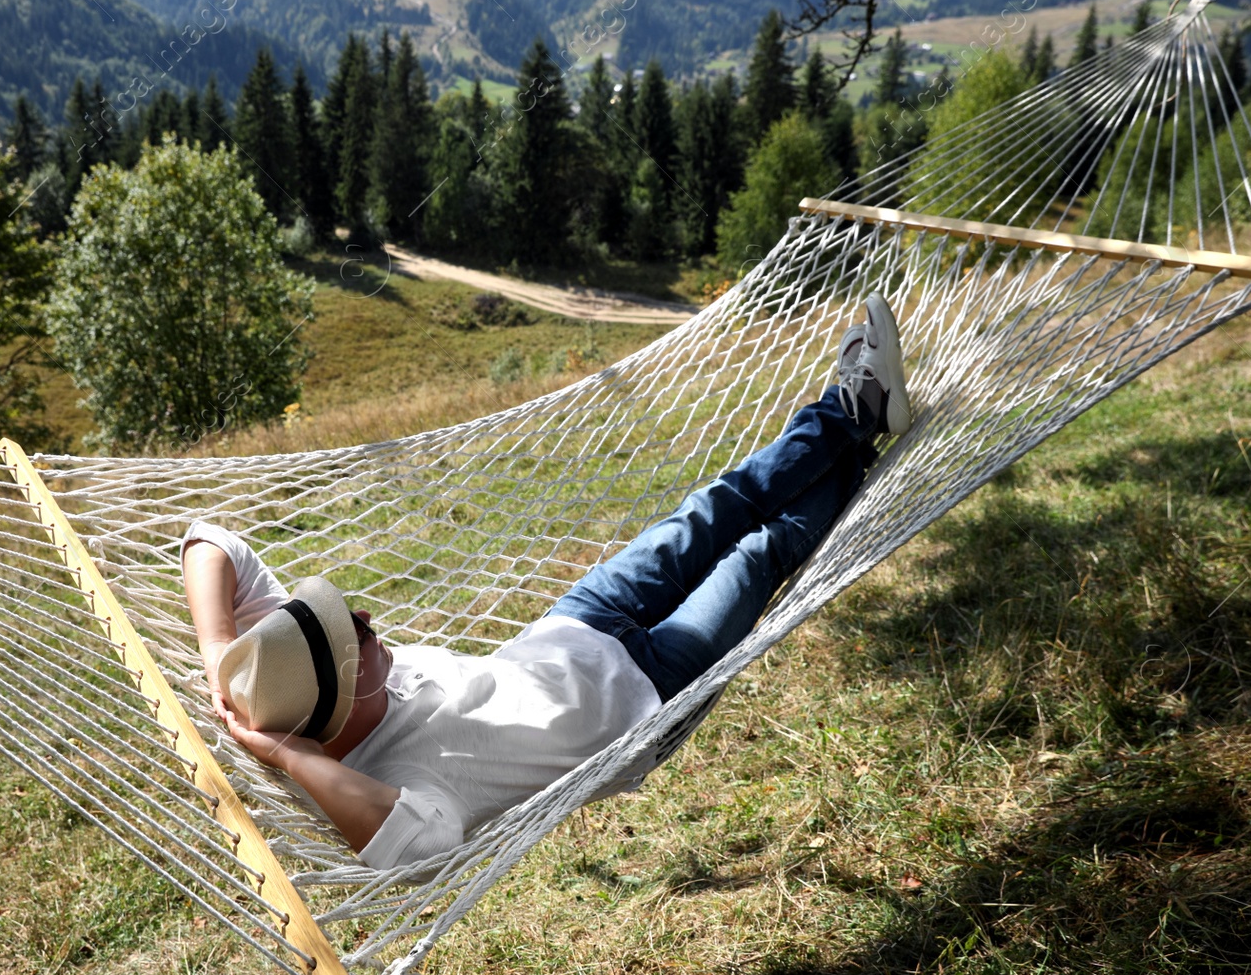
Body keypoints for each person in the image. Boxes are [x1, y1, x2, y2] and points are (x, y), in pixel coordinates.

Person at [182, 292, 912, 869]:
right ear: (337, 712)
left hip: (577, 624)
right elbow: (415, 852)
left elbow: (212, 541)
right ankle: (855, 426)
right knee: (759, 554)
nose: (369, 616)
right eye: (358, 633)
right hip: (646, 702)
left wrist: (221, 653)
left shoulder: (293, 670)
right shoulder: (400, 780)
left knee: (715, 506)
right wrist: (287, 756)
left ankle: (853, 420)